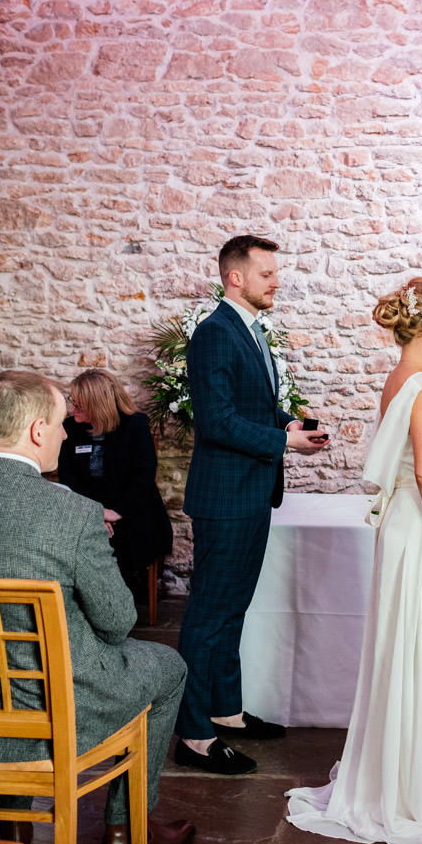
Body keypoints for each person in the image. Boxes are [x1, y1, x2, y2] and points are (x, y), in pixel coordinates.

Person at [0, 371, 195, 844]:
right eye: (59, 423)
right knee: (167, 664)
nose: (63, 434)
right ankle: (125, 832)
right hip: (55, 712)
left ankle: (11, 834)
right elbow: (119, 623)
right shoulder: (72, 513)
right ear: (36, 430)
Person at [286, 278, 422, 844]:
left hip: (405, 524)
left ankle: (398, 776)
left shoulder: (400, 380)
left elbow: (417, 451)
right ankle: (411, 792)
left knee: (407, 646)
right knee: (421, 647)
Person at [176, 234, 329, 775]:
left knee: (230, 612)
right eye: (267, 273)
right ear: (235, 277)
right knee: (208, 617)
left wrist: (284, 423)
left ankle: (227, 712)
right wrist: (283, 442)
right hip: (226, 496)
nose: (277, 281)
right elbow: (215, 422)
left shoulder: (249, 330)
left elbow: (247, 407)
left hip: (248, 490)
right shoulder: (216, 334)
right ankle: (193, 735)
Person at [56, 369, 173, 601]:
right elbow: (69, 478)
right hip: (89, 508)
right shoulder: (70, 429)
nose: (72, 409)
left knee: (120, 542)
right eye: (73, 402)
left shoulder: (135, 425)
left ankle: (115, 603)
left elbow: (143, 477)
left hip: (132, 508)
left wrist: (115, 513)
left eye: (79, 405)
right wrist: (96, 513)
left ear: (97, 404)